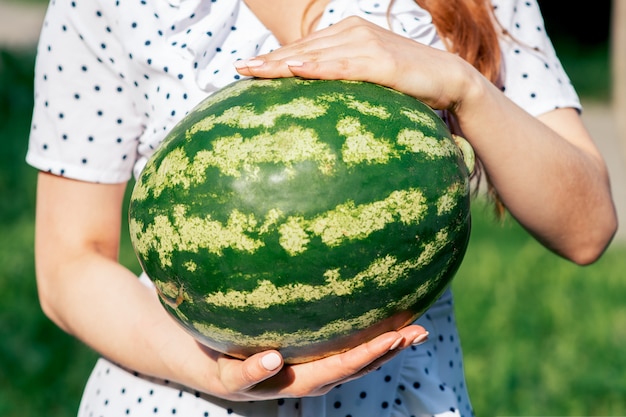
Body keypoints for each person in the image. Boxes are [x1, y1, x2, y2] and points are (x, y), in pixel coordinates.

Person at [26, 0, 617, 416]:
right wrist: (215, 371)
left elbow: (587, 228)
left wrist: (462, 86)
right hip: (175, 399)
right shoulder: (109, 6)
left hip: (399, 402)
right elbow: (69, 266)